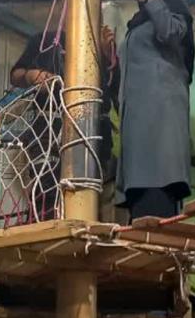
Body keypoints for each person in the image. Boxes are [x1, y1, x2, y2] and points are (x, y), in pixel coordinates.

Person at [8, 23, 120, 221]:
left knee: (93, 199)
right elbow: (15, 75)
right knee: (47, 199)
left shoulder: (100, 47)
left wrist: (106, 54)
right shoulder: (44, 40)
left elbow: (114, 89)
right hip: (48, 134)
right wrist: (31, 76)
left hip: (93, 135)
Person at [117, 0, 195, 220]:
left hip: (159, 128)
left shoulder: (174, 10)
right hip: (136, 133)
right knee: (140, 213)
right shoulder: (136, 25)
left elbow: (170, 33)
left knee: (156, 208)